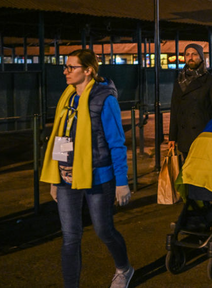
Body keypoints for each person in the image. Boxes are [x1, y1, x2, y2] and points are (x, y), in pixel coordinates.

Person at [40, 49, 134, 288]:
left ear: (88, 70)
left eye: (71, 67)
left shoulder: (105, 99)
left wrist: (121, 182)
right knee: (70, 238)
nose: (65, 71)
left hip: (98, 177)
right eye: (66, 66)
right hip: (66, 178)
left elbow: (116, 143)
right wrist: (54, 178)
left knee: (104, 231)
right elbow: (61, 137)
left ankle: (124, 269)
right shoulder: (68, 98)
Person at [168, 43, 212, 157]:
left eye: (194, 54)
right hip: (184, 136)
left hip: (203, 135)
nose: (190, 57)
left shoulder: (210, 80)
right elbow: (175, 110)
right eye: (187, 54)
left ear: (201, 57)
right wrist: (172, 137)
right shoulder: (179, 81)